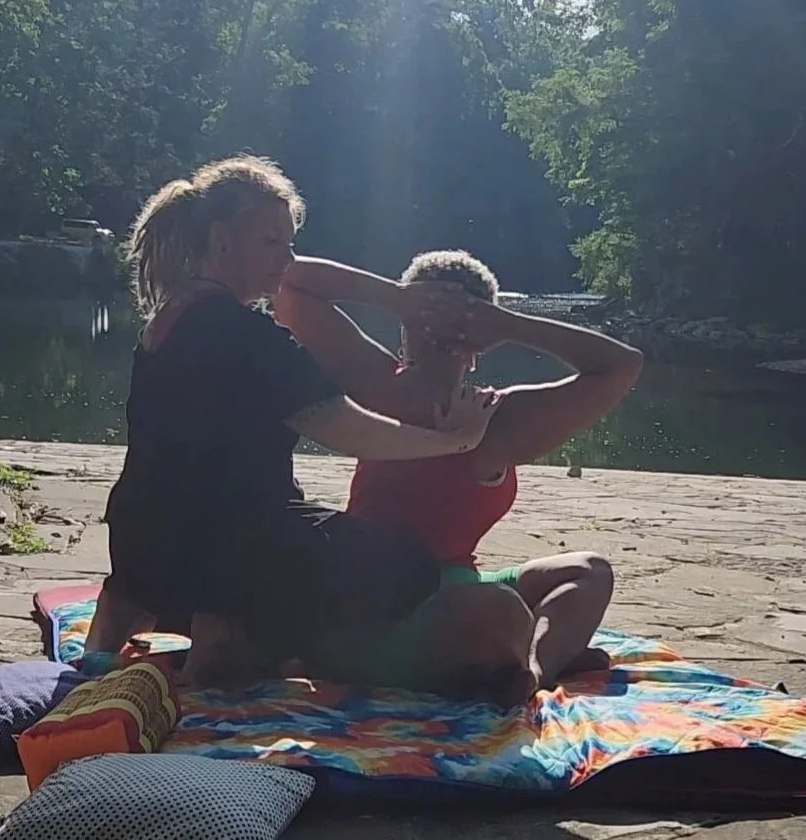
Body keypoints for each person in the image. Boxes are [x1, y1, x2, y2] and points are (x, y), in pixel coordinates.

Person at [83, 158, 501, 688]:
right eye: (270, 242)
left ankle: (121, 627)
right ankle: (224, 637)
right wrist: (456, 441)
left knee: (264, 516)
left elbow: (300, 281)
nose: (287, 258)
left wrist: (399, 299)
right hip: (217, 551)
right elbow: (343, 427)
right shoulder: (247, 335)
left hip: (140, 543)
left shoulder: (170, 316)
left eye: (289, 242)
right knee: (406, 570)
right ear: (221, 241)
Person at [274, 250, 643, 706]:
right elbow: (287, 282)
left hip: (449, 591)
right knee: (496, 608)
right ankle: (521, 662)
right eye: (426, 319)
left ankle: (528, 670)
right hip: (376, 606)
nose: (436, 335)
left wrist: (402, 300)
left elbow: (623, 365)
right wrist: (502, 324)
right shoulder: (389, 388)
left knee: (587, 571)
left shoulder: (488, 413)